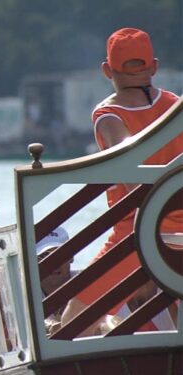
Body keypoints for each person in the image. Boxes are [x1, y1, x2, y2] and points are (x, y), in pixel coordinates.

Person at [62, 27, 183, 334]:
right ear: (153, 66)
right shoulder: (176, 107)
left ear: (106, 70)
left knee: (72, 326)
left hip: (136, 234)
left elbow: (130, 165)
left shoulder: (109, 115)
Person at [35, 227, 72, 335]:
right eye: (44, 256)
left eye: (59, 255)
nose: (53, 263)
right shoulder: (21, 293)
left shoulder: (91, 283)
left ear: (71, 257)